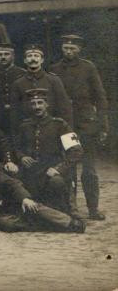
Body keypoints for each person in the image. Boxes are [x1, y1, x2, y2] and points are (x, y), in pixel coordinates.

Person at [0, 151, 84, 233]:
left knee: (33, 206)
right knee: (7, 225)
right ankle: (46, 226)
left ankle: (71, 223)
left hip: (11, 203)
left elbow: (10, 182)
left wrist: (24, 198)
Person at [48, 34, 109, 220]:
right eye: (66, 48)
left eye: (72, 48)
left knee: (89, 169)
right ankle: (71, 208)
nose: (69, 51)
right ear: (62, 49)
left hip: (86, 125)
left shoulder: (88, 67)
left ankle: (93, 209)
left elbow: (100, 96)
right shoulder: (54, 69)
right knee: (70, 167)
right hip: (67, 126)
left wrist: (102, 124)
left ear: (79, 49)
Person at [14, 88, 81, 214]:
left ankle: (64, 211)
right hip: (31, 172)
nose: (37, 107)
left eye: (40, 103)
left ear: (46, 104)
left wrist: (58, 169)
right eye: (33, 104)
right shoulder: (24, 126)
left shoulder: (60, 124)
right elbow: (16, 147)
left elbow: (76, 151)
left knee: (56, 182)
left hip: (51, 170)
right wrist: (21, 156)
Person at [9, 44, 73, 136]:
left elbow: (64, 108)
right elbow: (15, 112)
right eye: (29, 56)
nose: (33, 59)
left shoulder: (54, 80)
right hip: (28, 131)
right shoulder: (18, 83)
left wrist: (67, 133)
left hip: (51, 130)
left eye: (36, 56)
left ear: (42, 60)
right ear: (25, 60)